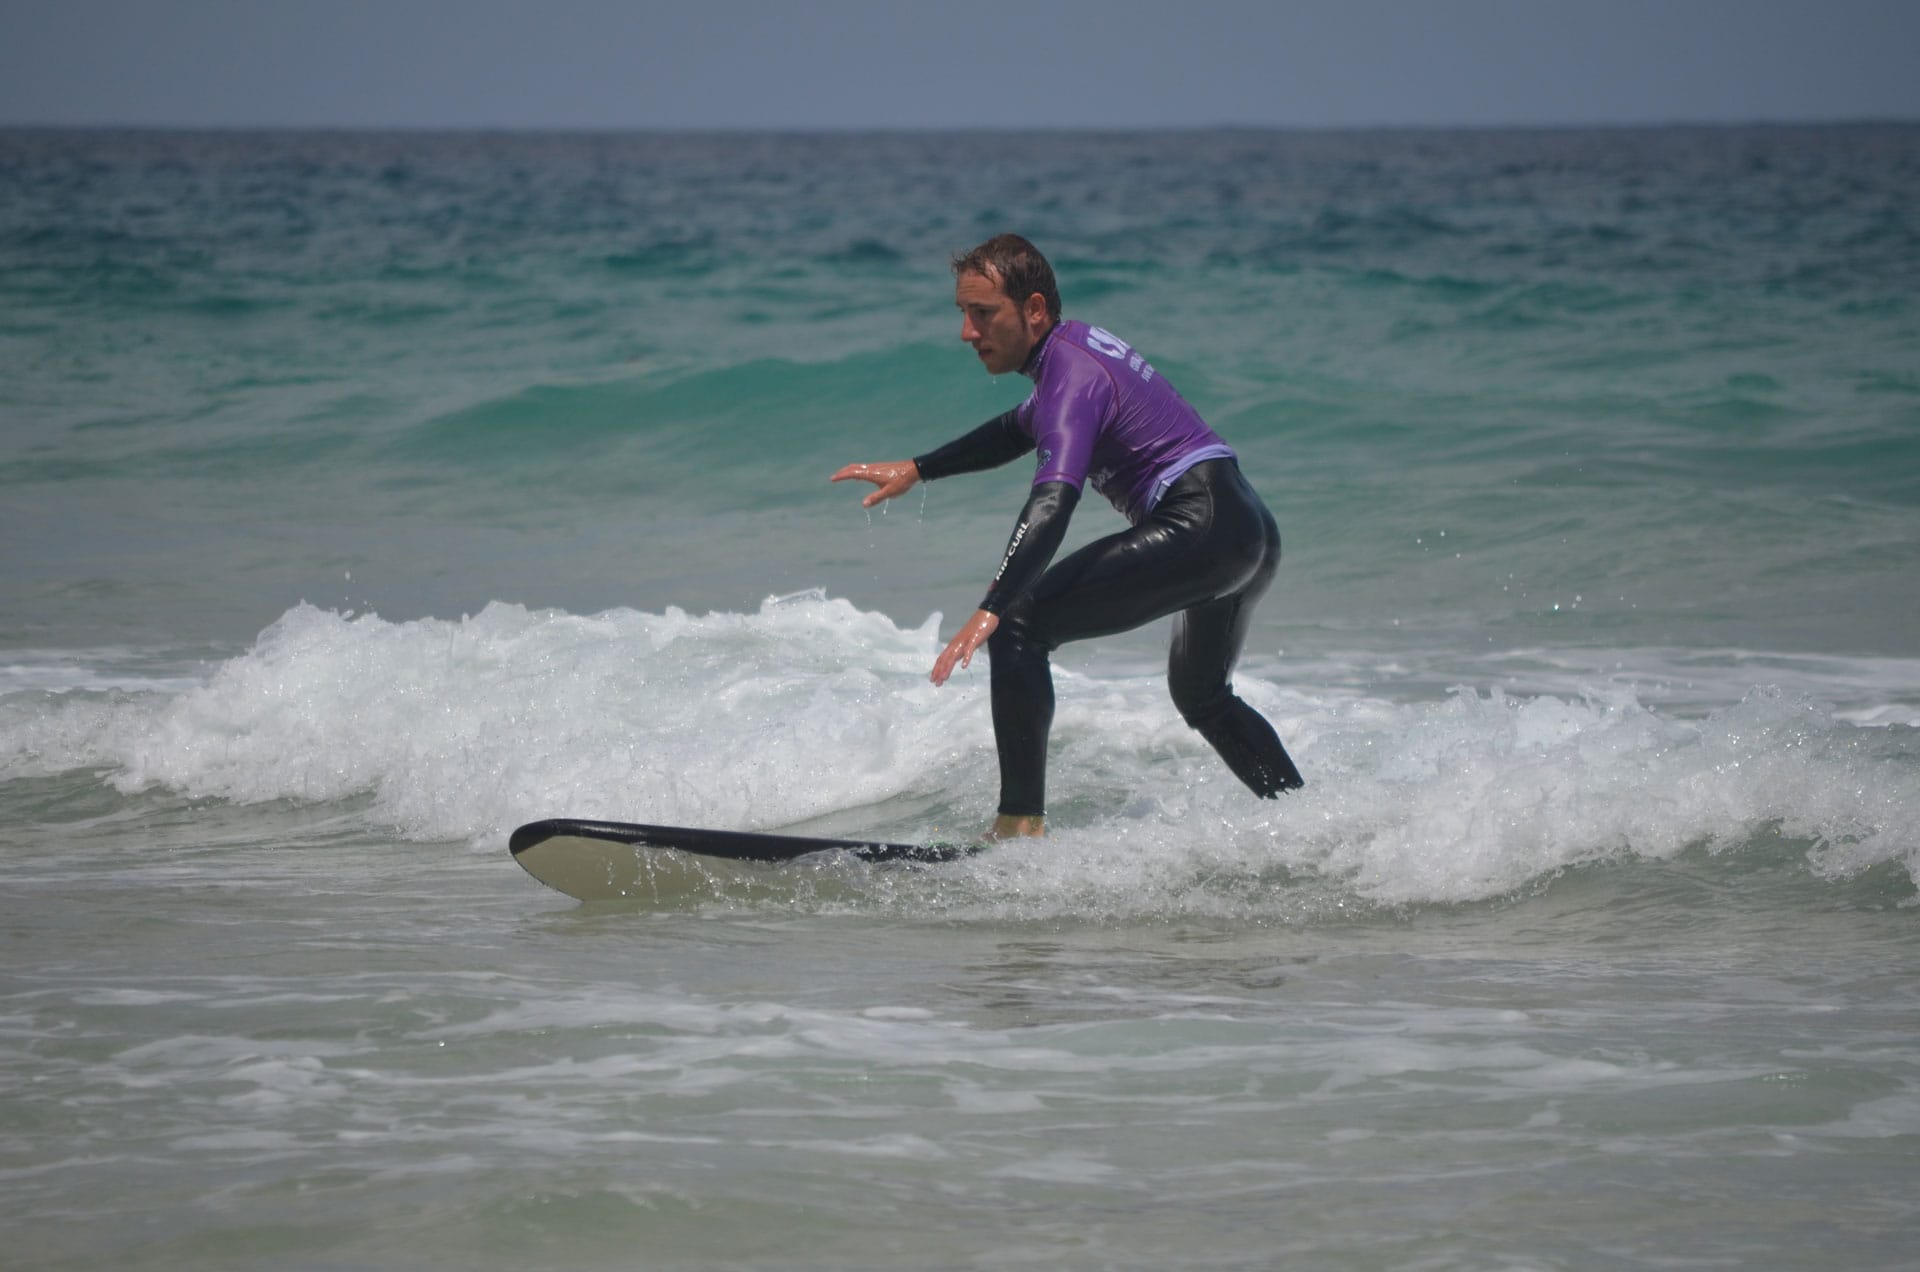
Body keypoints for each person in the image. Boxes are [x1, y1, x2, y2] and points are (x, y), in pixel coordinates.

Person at [832, 234, 1303, 840]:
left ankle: (1019, 826)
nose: (968, 332)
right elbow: (1015, 429)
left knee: (1019, 627)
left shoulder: (1071, 373)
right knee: (1203, 697)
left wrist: (994, 606)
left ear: (1033, 309)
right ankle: (1311, 825)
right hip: (1246, 528)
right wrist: (918, 469)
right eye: (964, 313)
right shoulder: (1072, 353)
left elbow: (1054, 499)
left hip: (1202, 522)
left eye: (983, 314)